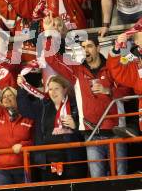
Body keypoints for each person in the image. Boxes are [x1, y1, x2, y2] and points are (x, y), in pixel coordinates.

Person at [42, 18, 130, 177]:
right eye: (83, 47)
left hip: (116, 133)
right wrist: (49, 34)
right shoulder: (77, 71)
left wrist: (108, 90)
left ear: (98, 47)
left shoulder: (113, 68)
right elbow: (51, 59)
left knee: (121, 179)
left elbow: (128, 91)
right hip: (90, 134)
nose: (86, 50)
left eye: (89, 46)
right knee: (97, 181)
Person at [17, 75, 87, 181]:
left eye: (56, 88)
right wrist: (21, 88)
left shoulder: (76, 106)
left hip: (73, 159)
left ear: (65, 89)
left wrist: (75, 126)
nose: (53, 92)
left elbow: (87, 134)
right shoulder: (42, 106)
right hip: (51, 158)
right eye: (50, 89)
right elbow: (24, 110)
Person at [0, 74, 34, 186]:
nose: (6, 98)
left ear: (17, 98)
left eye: (10, 96)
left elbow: (35, 139)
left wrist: (24, 145)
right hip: (2, 168)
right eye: (4, 97)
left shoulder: (28, 116)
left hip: (22, 166)